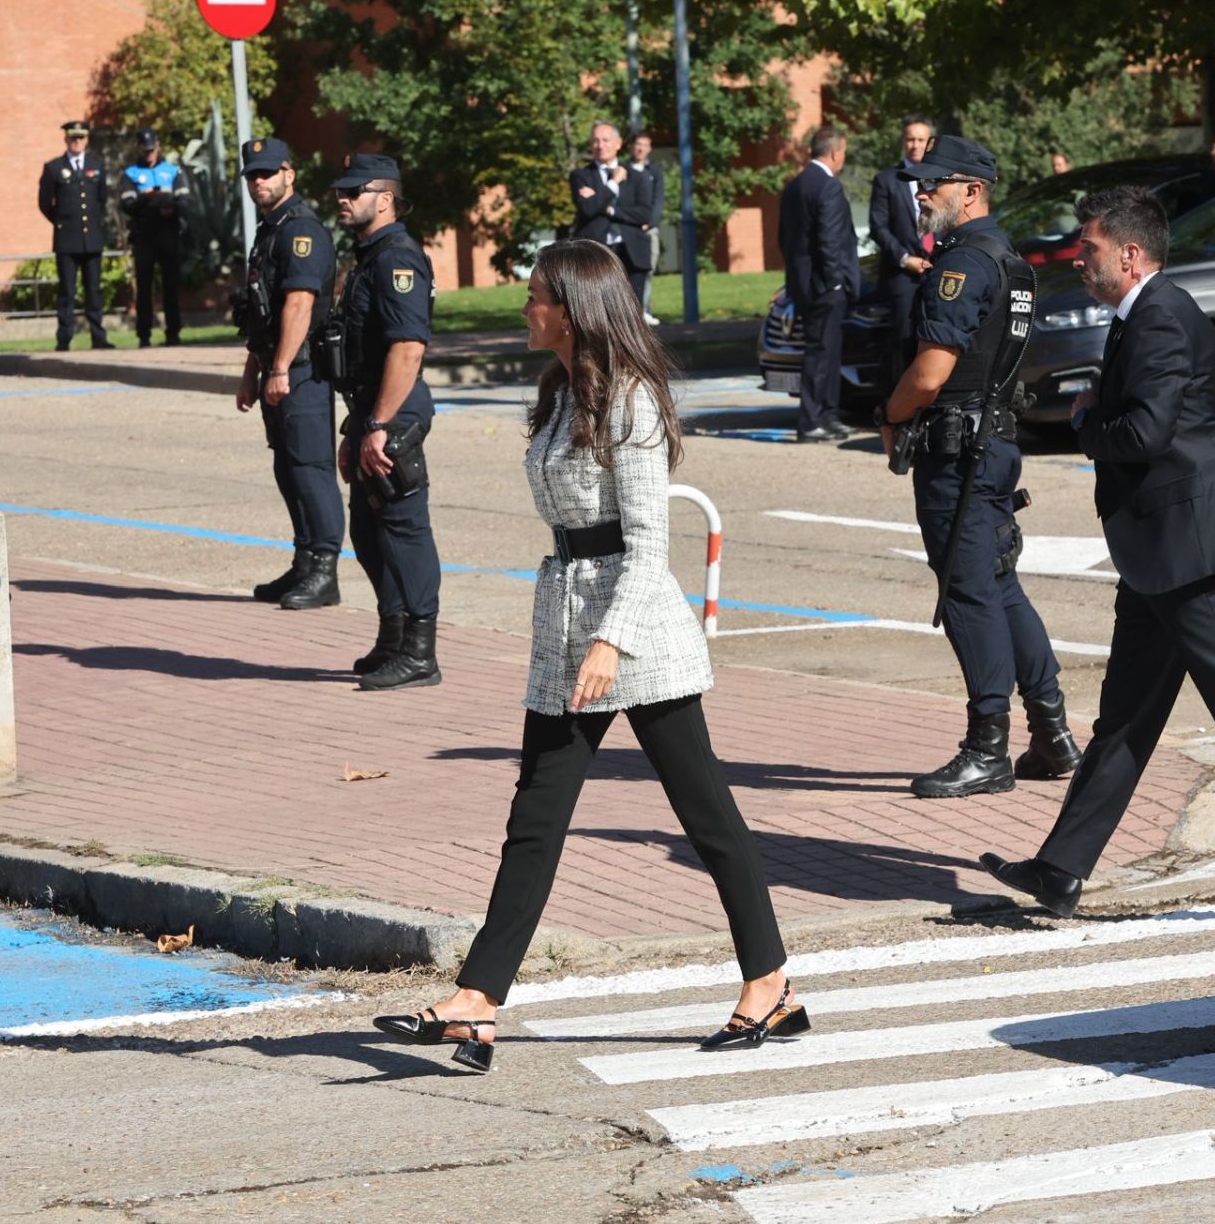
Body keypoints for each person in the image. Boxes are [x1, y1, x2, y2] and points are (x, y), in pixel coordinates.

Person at [372, 240, 804, 1073]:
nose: (524, 308)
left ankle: (770, 982)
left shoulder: (632, 403)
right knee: (534, 816)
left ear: (573, 308)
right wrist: (582, 635)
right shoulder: (563, 388)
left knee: (706, 814)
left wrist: (611, 640)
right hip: (567, 621)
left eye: (536, 297)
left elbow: (649, 548)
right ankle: (478, 1000)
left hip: (635, 635)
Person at [980, 185, 1215, 923]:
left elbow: (1147, 433)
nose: (1078, 259)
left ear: (1129, 253)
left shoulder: (1158, 315)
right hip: (1163, 550)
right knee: (1124, 721)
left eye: (1088, 248)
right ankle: (1061, 869)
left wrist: (1087, 422)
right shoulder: (1147, 313)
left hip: (1182, 552)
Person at [882, 136, 1082, 798]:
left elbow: (932, 370)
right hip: (992, 444)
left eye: (933, 184)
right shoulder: (1012, 262)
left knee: (969, 592)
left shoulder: (962, 265)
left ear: (971, 190)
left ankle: (986, 748)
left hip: (956, 451)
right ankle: (1052, 733)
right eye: (918, 183)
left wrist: (891, 414)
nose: (921, 194)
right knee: (999, 585)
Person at [330, 153, 445, 692]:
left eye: (355, 190)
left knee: (403, 529)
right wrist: (359, 423)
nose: (343, 198)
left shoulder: (398, 258)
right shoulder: (369, 257)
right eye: (341, 190)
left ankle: (420, 653)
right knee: (369, 532)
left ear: (386, 198)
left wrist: (377, 424)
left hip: (392, 411)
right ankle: (393, 636)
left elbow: (408, 348)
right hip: (371, 409)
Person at [233, 137, 344, 610]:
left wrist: (278, 368)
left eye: (267, 173)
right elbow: (266, 313)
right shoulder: (271, 228)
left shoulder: (301, 230)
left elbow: (299, 304)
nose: (259, 182)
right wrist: (252, 370)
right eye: (252, 175)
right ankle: (303, 561)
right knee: (288, 468)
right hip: (279, 369)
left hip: (303, 371)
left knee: (310, 468)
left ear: (289, 174)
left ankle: (324, 569)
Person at [777, 126, 860, 443]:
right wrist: (835, 281)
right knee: (822, 353)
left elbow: (784, 238)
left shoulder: (795, 185)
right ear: (836, 152)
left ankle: (827, 415)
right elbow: (830, 240)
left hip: (805, 283)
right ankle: (813, 420)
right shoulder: (827, 185)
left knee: (825, 351)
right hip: (825, 286)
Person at [869, 115, 937, 394]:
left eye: (921, 139)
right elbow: (879, 227)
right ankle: (900, 409)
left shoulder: (941, 179)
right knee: (902, 343)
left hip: (938, 272)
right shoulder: (887, 180)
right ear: (902, 142)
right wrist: (905, 259)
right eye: (910, 139)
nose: (915, 145)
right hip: (903, 277)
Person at [37, 120, 111, 352]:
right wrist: (62, 223)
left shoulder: (96, 165)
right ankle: (64, 338)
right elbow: (44, 203)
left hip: (92, 240)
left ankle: (98, 336)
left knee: (94, 291)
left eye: (81, 138)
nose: (77, 142)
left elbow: (101, 200)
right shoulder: (53, 168)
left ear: (86, 139)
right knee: (67, 292)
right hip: (67, 239)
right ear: (66, 139)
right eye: (73, 138)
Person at [569, 122, 654, 309]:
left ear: (618, 143)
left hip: (631, 252)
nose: (601, 145)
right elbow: (588, 209)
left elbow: (644, 214)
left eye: (606, 140)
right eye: (596, 141)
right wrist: (614, 183)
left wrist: (609, 209)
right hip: (594, 251)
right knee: (595, 312)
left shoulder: (636, 176)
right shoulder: (581, 175)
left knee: (632, 315)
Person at [121, 127, 190, 349]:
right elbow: (128, 205)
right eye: (145, 150)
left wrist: (167, 205)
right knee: (144, 286)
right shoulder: (130, 173)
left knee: (171, 285)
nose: (149, 153)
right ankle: (144, 335)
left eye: (152, 149)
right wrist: (155, 199)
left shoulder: (172, 170)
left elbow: (185, 201)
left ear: (158, 147)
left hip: (168, 233)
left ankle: (174, 333)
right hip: (144, 236)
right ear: (140, 149)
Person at [627, 131, 665, 325]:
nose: (641, 148)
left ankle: (644, 309)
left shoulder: (655, 173)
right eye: (638, 144)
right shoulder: (622, 169)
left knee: (646, 270)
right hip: (627, 230)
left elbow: (658, 200)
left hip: (648, 230)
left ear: (649, 149)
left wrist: (649, 222)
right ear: (631, 146)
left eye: (645, 145)